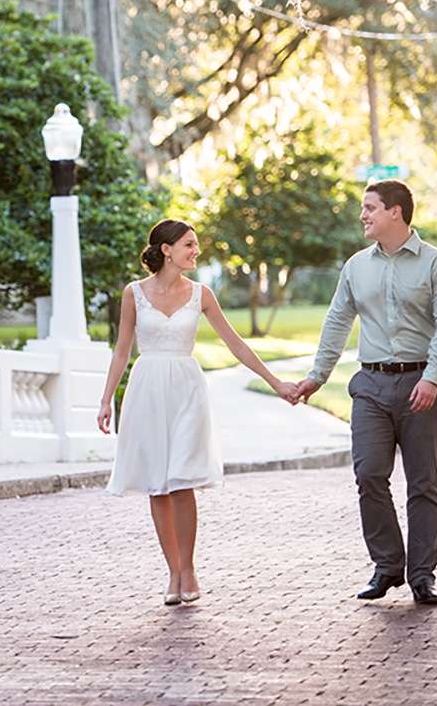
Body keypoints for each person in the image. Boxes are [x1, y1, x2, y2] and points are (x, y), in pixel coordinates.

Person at [97, 218, 299, 606]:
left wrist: (276, 383)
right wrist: (107, 399)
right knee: (157, 482)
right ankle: (173, 573)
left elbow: (236, 345)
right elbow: (122, 351)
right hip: (147, 387)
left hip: (187, 388)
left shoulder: (201, 294)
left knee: (182, 478)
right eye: (189, 245)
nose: (196, 251)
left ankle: (188, 568)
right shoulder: (133, 294)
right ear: (166, 250)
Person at [293, 180, 437, 606]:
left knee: (422, 483)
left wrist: (432, 374)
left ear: (396, 213)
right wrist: (318, 375)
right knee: (369, 474)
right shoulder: (356, 267)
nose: (363, 216)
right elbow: (337, 321)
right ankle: (388, 566)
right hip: (369, 385)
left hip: (419, 384)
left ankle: (422, 575)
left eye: (370, 208)